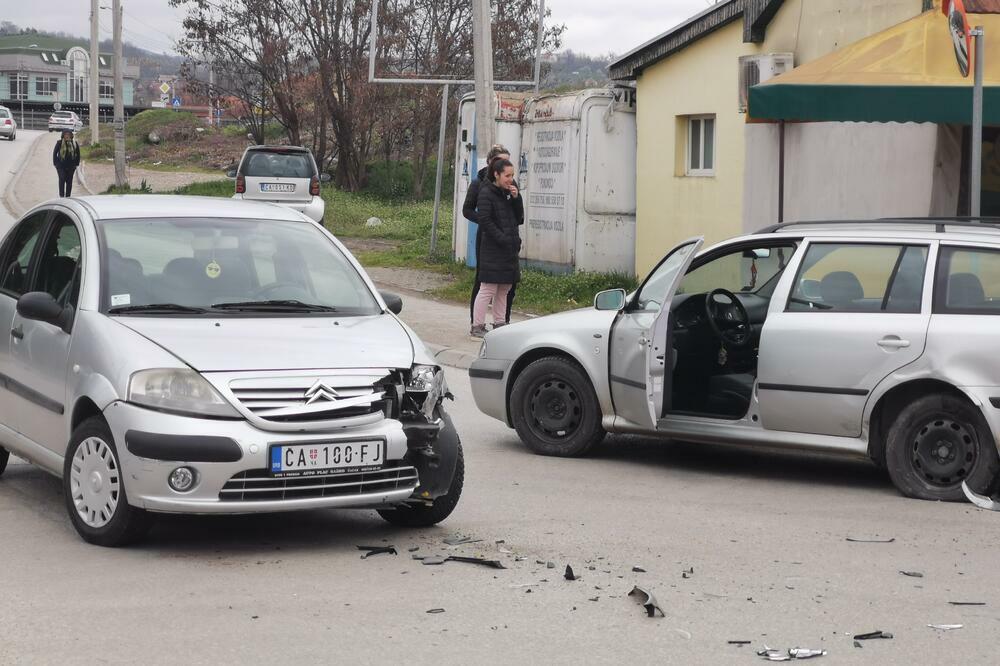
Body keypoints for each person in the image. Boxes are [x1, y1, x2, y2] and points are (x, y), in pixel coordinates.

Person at [464, 145, 523, 328]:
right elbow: (470, 211)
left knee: (506, 287)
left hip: (508, 244)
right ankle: (477, 323)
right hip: (490, 241)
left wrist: (516, 198)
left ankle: (501, 322)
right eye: (500, 161)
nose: (510, 178)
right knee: (486, 285)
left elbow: (518, 217)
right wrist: (488, 225)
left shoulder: (510, 188)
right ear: (493, 166)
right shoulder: (481, 186)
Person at [53, 130, 81, 198]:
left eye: (69, 134)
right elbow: (55, 153)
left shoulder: (74, 143)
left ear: (71, 136)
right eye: (66, 134)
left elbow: (78, 154)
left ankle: (68, 196)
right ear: (63, 135)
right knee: (62, 179)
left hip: (71, 166)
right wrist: (56, 163)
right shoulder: (59, 143)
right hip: (61, 166)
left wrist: (76, 164)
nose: (67, 136)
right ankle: (61, 195)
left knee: (69, 181)